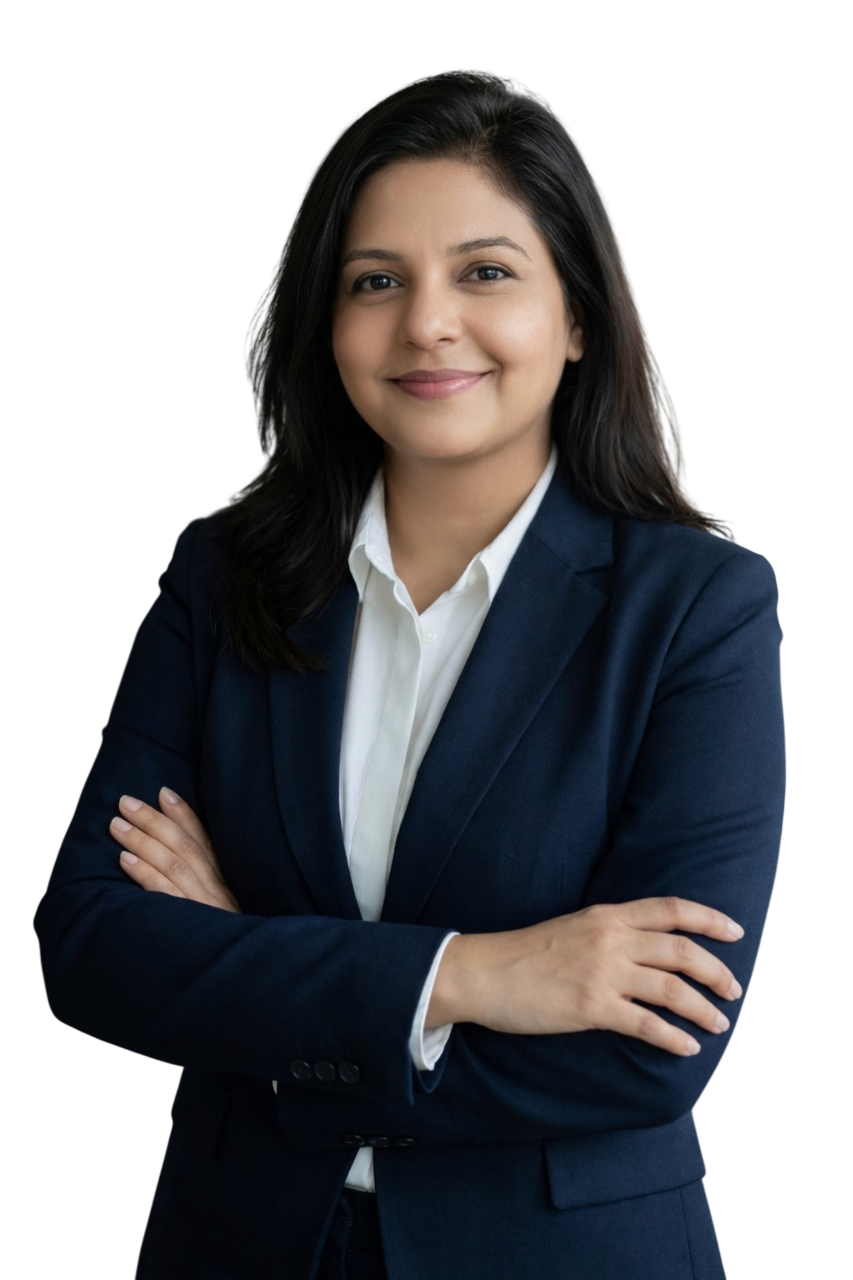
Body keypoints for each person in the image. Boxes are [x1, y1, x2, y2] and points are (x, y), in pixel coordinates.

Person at [36, 70, 785, 1279]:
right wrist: (476, 975)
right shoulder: (224, 574)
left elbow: (656, 1046)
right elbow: (93, 944)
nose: (426, 323)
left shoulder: (699, 608)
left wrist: (250, 972)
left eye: (484, 271)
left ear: (578, 316)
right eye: (375, 280)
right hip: (237, 1242)